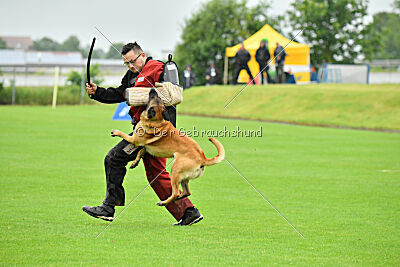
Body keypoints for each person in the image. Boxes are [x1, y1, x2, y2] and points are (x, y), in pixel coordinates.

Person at [83, 42, 202, 226]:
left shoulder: (159, 69)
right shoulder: (132, 74)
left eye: (132, 61)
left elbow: (173, 96)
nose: (131, 66)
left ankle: (108, 207)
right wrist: (98, 92)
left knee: (114, 158)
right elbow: (120, 94)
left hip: (154, 134)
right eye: (126, 63)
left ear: (142, 55)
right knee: (156, 175)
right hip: (143, 132)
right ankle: (188, 212)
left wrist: (143, 99)